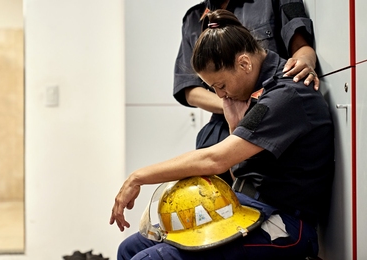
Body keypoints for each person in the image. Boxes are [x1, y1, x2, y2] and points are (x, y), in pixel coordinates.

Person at [110, 9, 334, 260]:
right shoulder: (260, 91)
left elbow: (215, 160)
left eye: (221, 85)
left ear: (244, 64)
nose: (219, 95)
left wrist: (138, 177)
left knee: (152, 259)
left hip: (285, 223)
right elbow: (236, 171)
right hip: (246, 205)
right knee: (129, 249)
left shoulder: (285, 95)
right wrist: (234, 124)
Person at [173, 0, 319, 185]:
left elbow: (301, 48)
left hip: (272, 113)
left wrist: (303, 65)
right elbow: (189, 89)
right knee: (200, 183)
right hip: (226, 118)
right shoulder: (193, 18)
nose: (218, 92)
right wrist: (231, 104)